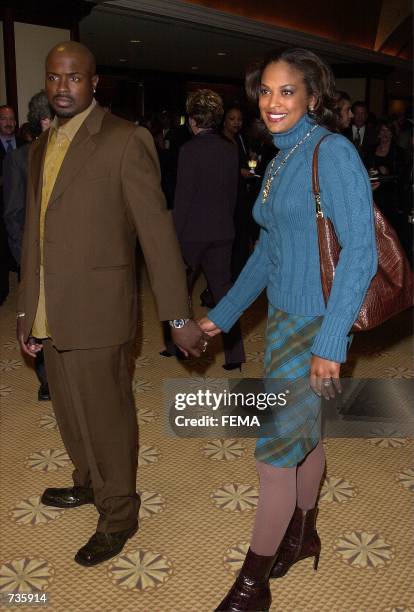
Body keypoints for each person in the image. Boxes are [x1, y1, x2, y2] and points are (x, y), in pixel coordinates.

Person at [199, 48, 377, 611]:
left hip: (316, 324)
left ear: (313, 98)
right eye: (266, 92)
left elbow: (361, 253)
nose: (272, 103)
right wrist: (220, 316)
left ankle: (252, 587)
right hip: (284, 320)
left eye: (287, 92)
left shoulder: (334, 153)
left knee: (273, 452)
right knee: (307, 436)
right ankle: (304, 535)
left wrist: (330, 343)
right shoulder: (280, 160)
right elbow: (266, 254)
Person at [16, 41, 204, 567]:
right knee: (71, 413)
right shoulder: (40, 146)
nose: (62, 87)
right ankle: (88, 483)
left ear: (93, 82)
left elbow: (157, 233)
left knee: (107, 416)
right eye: (54, 78)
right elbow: (34, 233)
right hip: (51, 308)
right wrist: (26, 310)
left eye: (74, 78)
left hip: (100, 311)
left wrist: (178, 314)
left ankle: (119, 513)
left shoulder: (125, 139)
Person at [172, 89, 245, 370]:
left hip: (191, 234)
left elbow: (183, 199)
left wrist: (174, 237)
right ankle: (235, 355)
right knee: (225, 294)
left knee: (179, 293)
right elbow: (232, 194)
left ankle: (176, 346)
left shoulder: (188, 151)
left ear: (193, 120)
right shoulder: (229, 148)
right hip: (222, 230)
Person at [3, 90, 53, 401]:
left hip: (70, 254)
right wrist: (24, 258)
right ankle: (47, 379)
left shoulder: (73, 155)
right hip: (33, 255)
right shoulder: (18, 160)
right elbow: (12, 213)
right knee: (37, 319)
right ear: (44, 121)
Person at [0, 105, 25, 305]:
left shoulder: (26, 145)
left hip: (22, 208)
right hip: (1, 207)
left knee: (23, 252)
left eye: (11, 119)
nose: (8, 123)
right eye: (4, 119)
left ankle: (25, 294)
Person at [343, 100, 376, 165]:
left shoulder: (373, 133)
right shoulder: (343, 132)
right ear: (352, 114)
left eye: (362, 114)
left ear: (366, 115)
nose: (359, 117)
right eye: (357, 113)